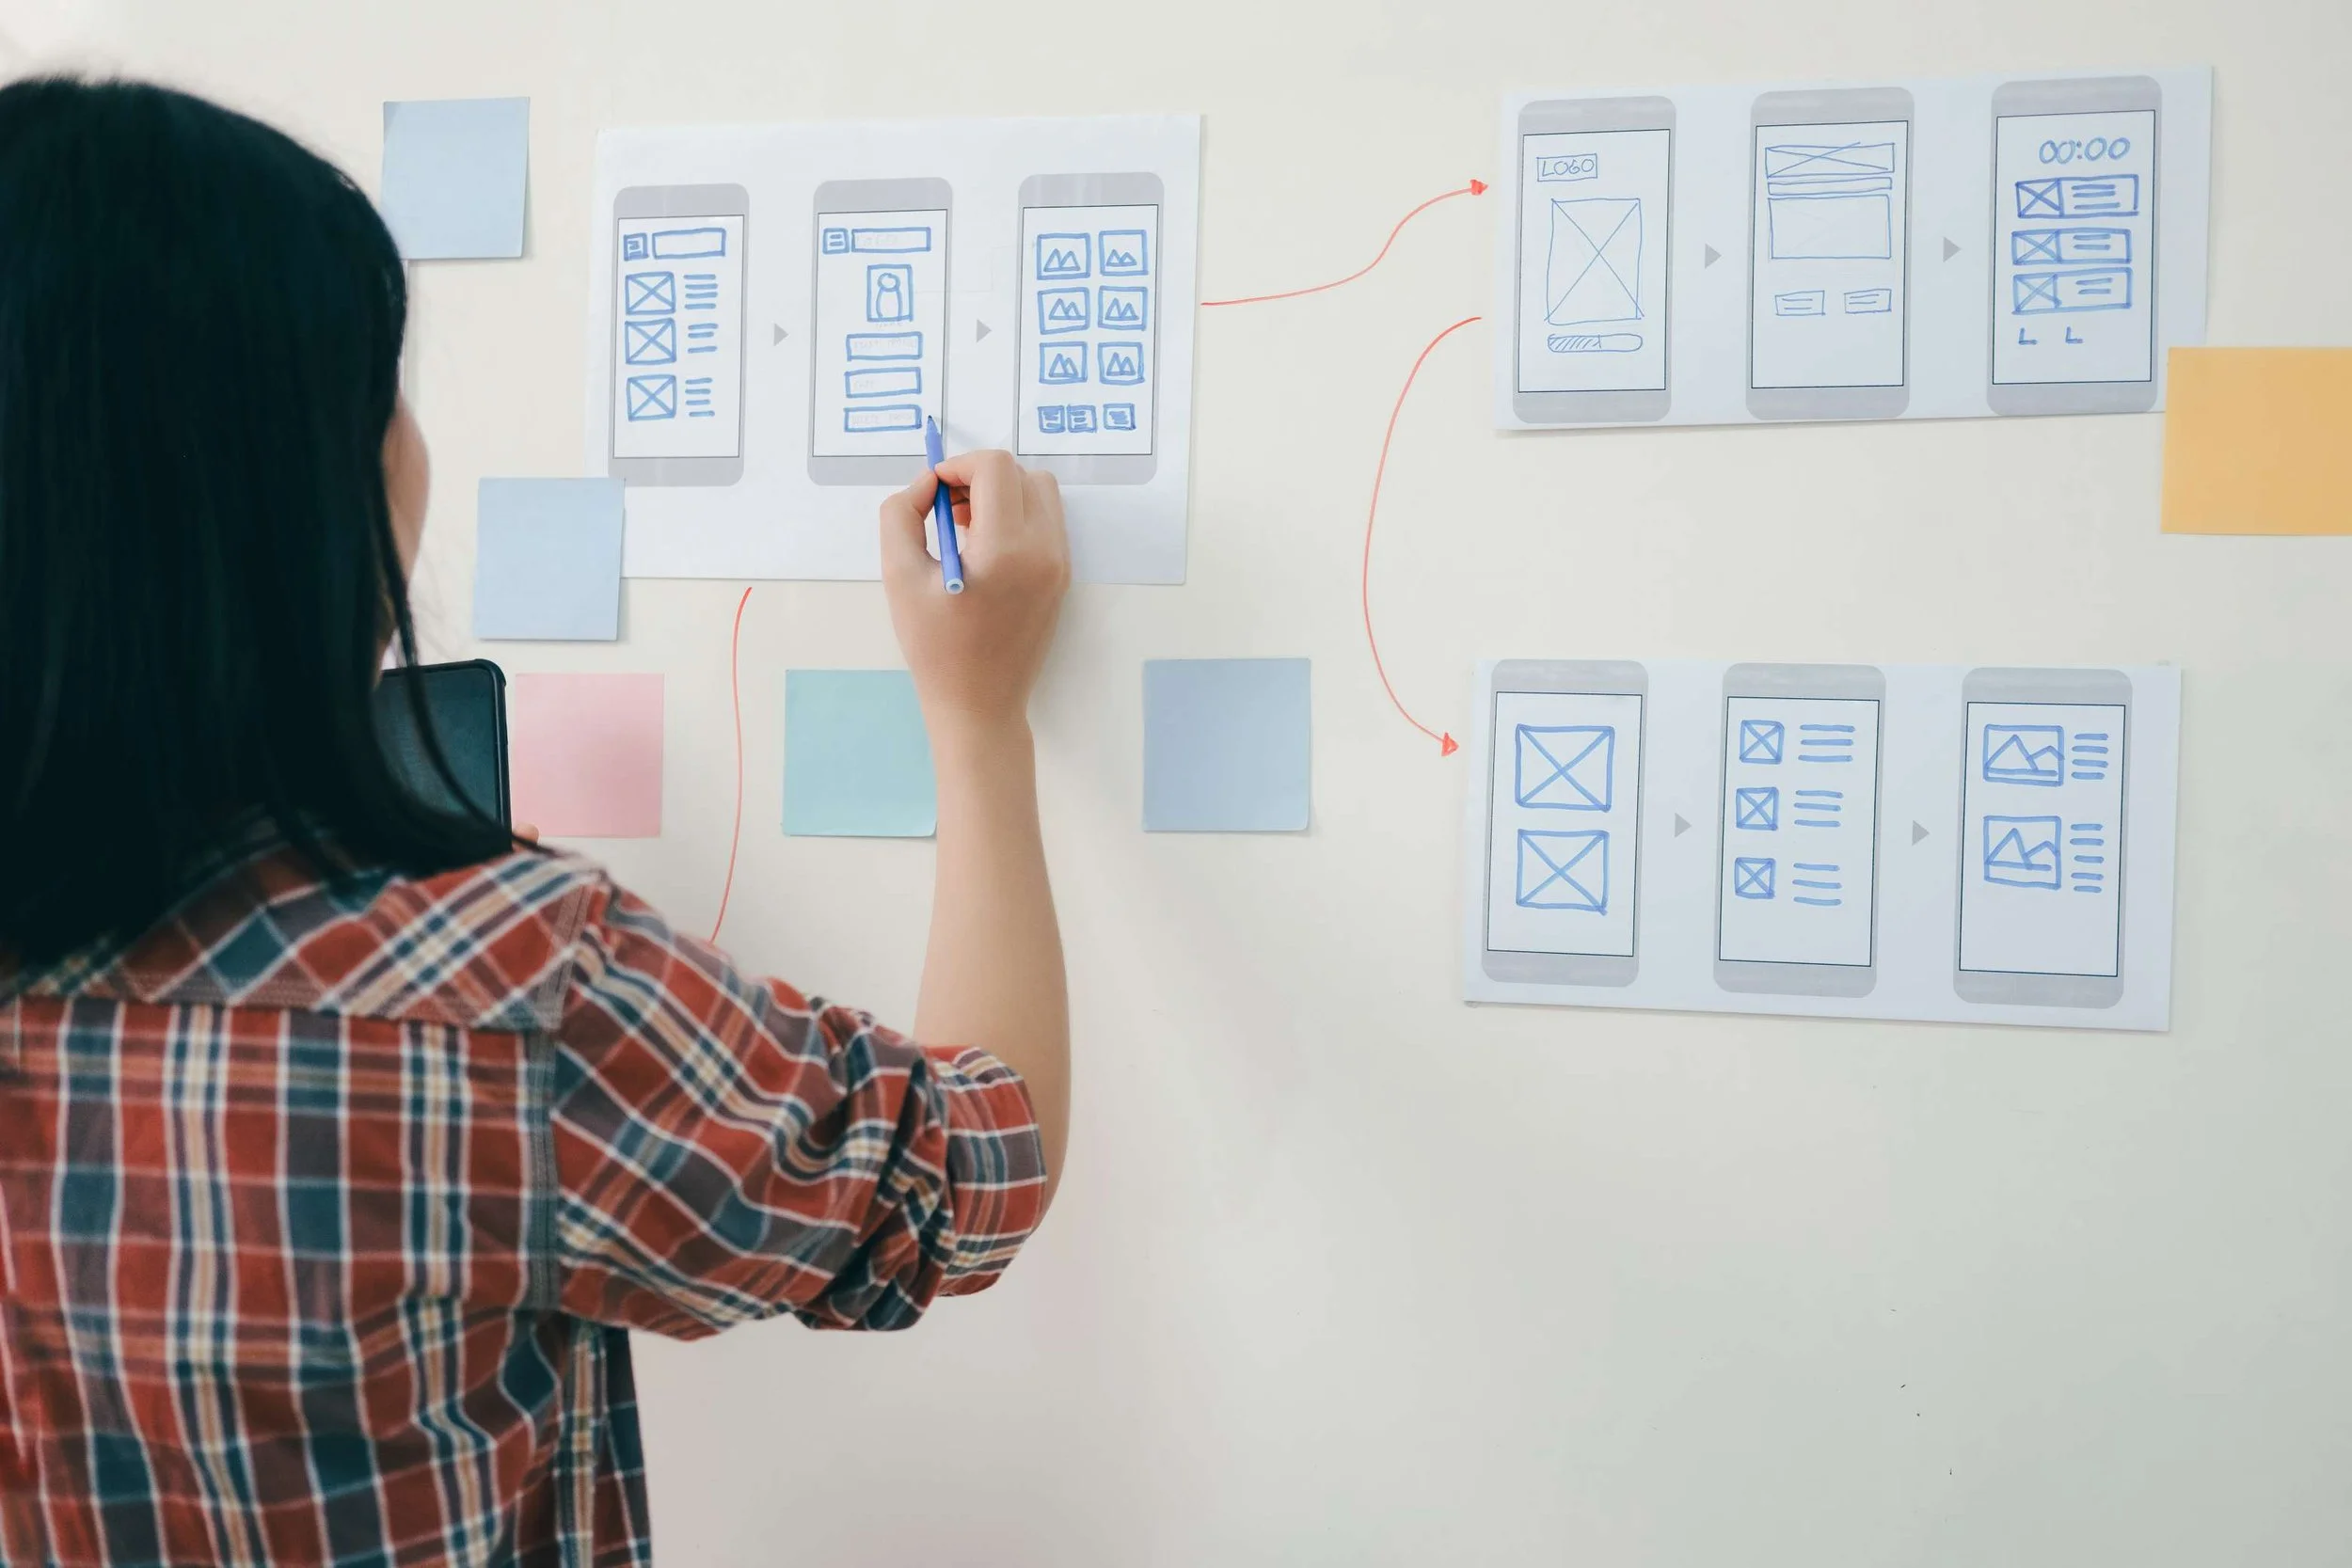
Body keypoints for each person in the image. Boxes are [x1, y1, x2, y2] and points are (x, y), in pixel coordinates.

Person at [0, 76, 1071, 1565]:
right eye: (381, 382)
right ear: (272, 489)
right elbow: (970, 1169)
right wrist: (978, 712)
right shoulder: (499, 992)